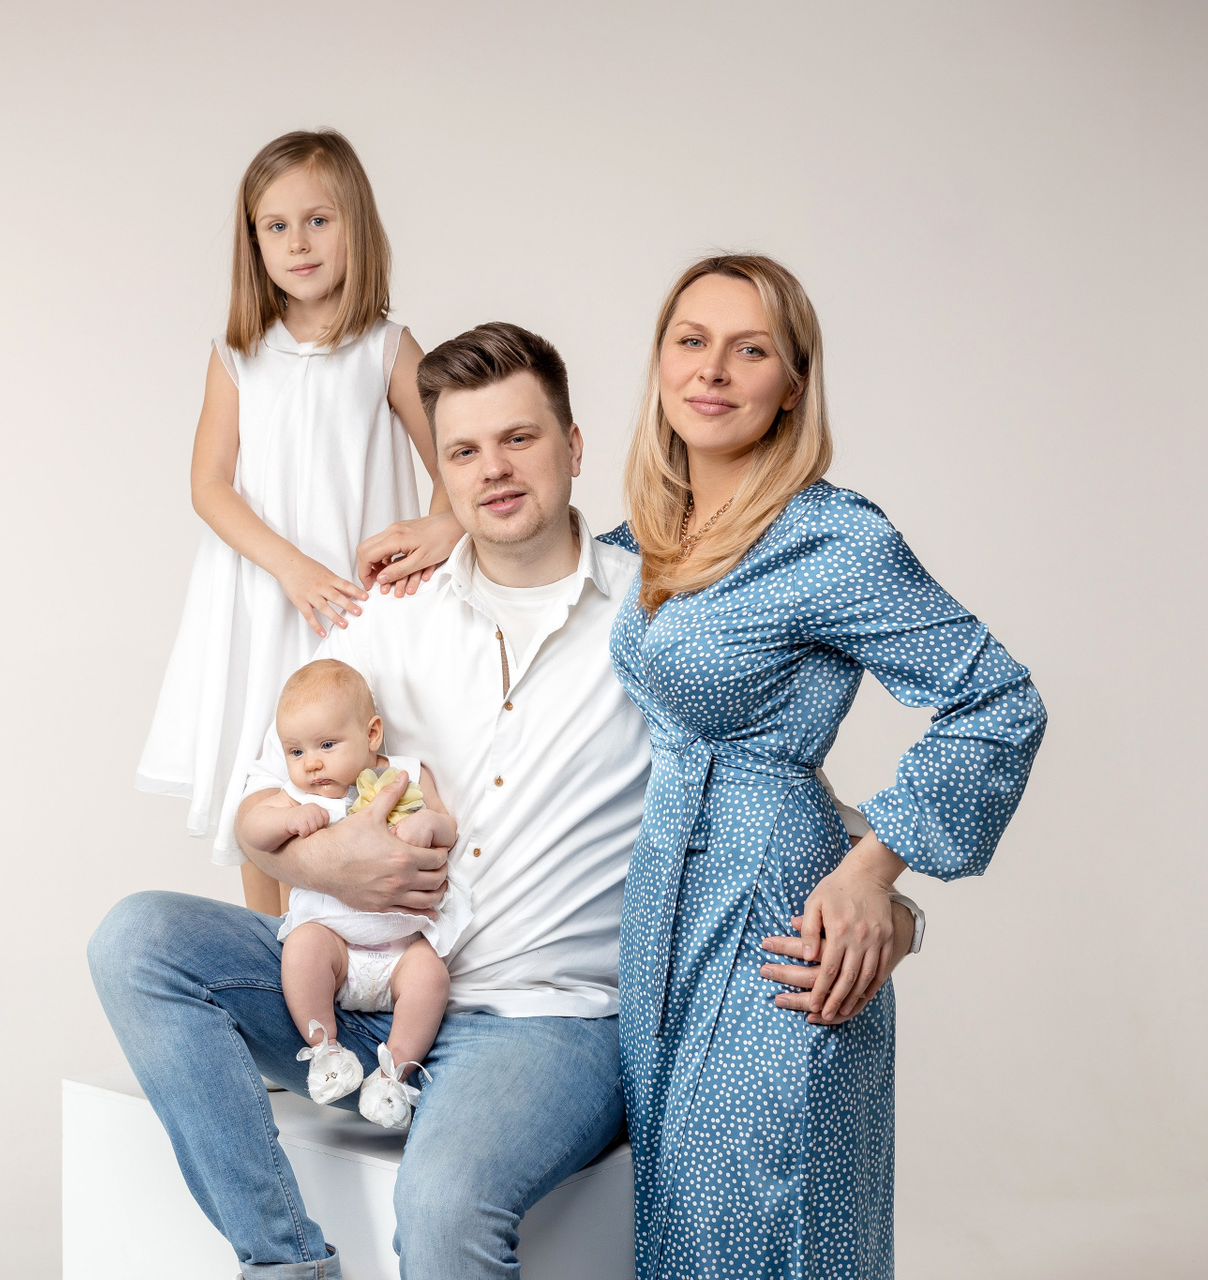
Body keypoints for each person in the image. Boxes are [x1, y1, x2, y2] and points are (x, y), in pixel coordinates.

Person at [91, 320, 901, 1278]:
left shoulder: (657, 620)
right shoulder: (392, 616)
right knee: (138, 940)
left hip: (545, 1025)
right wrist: (321, 860)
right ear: (441, 469)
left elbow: (767, 778)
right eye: (464, 452)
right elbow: (256, 796)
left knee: (441, 1206)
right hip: (361, 989)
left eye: (520, 438)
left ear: (574, 447)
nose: (494, 471)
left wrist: (882, 891)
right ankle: (285, 1263)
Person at [605, 254, 1047, 1280]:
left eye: (750, 349)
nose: (713, 370)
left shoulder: (831, 537)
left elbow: (999, 699)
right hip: (661, 917)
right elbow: (536, 552)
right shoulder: (648, 540)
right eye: (691, 340)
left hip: (774, 920)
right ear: (660, 361)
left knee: (763, 1222)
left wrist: (873, 875)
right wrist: (446, 518)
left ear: (793, 384)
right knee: (680, 1234)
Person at [134, 128, 450, 915]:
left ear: (356, 226)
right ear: (254, 243)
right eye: (276, 226)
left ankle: (369, 955)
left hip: (353, 607)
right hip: (265, 599)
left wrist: (436, 534)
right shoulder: (237, 354)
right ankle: (270, 949)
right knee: (267, 778)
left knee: (366, 768)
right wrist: (289, 567)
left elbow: (456, 463)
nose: (298, 243)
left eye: (318, 220)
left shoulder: (387, 348)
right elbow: (209, 485)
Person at [234, 658, 467, 1130]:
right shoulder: (300, 795)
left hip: (403, 950)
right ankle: (326, 1051)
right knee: (302, 948)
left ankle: (393, 1076)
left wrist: (428, 824)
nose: (311, 763)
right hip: (336, 948)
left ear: (372, 733)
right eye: (295, 751)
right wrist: (285, 821)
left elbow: (448, 824)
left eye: (326, 745)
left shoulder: (407, 775)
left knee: (431, 978)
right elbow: (252, 831)